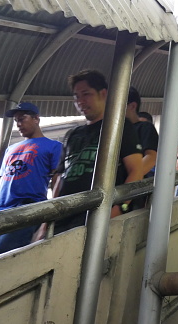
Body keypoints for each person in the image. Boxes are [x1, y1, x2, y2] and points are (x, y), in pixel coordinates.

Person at [53, 70, 143, 233]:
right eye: (76, 96)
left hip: (98, 215)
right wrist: (48, 220)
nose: (80, 101)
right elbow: (60, 177)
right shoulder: (72, 135)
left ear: (103, 94)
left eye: (86, 94)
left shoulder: (119, 127)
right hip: (63, 218)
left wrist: (120, 208)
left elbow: (136, 170)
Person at [0, 102, 62, 256]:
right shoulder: (11, 149)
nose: (18, 124)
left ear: (36, 118)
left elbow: (58, 180)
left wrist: (51, 214)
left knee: (6, 252)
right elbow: (2, 182)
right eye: (16, 121)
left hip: (26, 209)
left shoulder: (53, 146)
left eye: (22, 119)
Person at [127, 87, 159, 177]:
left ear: (132, 106)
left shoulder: (145, 128)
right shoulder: (113, 131)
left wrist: (126, 182)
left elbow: (151, 157)